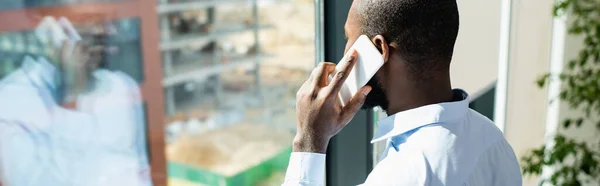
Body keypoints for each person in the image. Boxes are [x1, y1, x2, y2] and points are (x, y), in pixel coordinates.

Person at [282, 0, 522, 185]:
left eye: (349, 38)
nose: (344, 52)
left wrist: (308, 143)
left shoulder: (400, 175)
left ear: (379, 49)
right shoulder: (493, 140)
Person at [0, 17, 150, 186]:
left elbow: (141, 175)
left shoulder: (119, 86)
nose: (109, 31)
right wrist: (72, 96)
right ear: (56, 30)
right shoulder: (12, 101)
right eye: (92, 19)